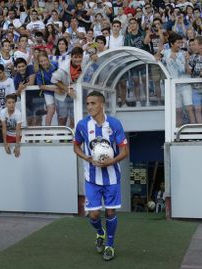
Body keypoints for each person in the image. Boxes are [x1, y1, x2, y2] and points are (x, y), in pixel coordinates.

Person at [73, 90, 129, 261]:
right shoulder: (83, 125)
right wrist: (87, 157)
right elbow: (76, 146)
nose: (89, 106)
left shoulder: (114, 124)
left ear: (101, 104)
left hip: (112, 177)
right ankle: (100, 232)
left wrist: (110, 162)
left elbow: (125, 151)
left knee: (110, 213)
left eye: (93, 103)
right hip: (92, 178)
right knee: (94, 214)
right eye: (87, 103)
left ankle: (110, 246)